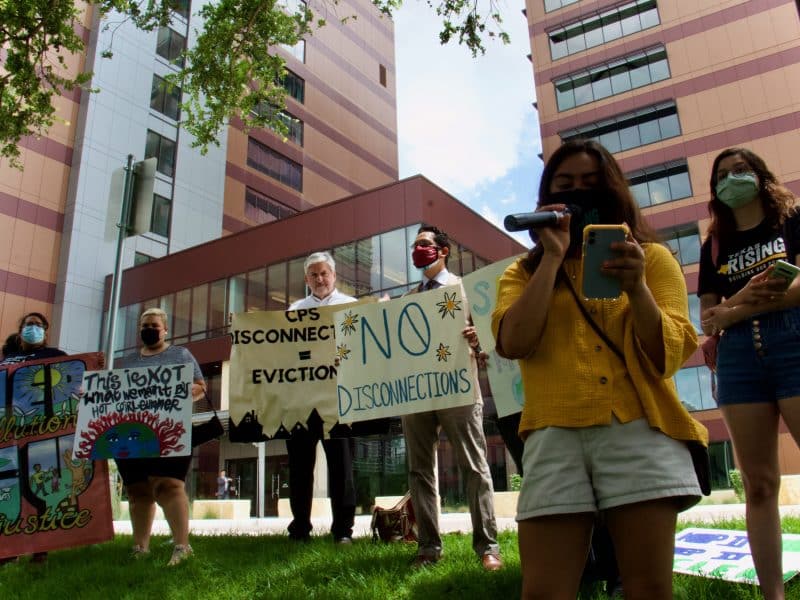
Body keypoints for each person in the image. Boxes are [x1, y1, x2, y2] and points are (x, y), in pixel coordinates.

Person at [491, 139, 707, 599]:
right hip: (553, 434)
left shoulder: (653, 259)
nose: (577, 194)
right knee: (543, 591)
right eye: (564, 185)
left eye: (591, 183)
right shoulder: (520, 274)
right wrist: (552, 257)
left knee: (648, 588)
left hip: (637, 428)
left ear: (614, 192)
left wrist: (637, 288)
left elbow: (668, 356)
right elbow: (513, 343)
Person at [698, 147, 800, 600]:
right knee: (758, 484)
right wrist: (744, 300)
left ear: (760, 175)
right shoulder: (714, 245)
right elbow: (708, 319)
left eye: (741, 170)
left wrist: (735, 309)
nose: (732, 179)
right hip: (739, 358)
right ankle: (772, 594)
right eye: (722, 175)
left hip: (793, 340)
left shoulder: (791, 220)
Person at [402, 225, 502, 571]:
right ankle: (428, 548)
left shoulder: (466, 289)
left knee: (474, 465)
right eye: (414, 245)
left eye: (424, 244)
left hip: (459, 389)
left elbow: (490, 345)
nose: (417, 250)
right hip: (417, 394)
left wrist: (479, 338)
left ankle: (488, 547)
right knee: (419, 470)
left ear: (443, 251)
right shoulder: (408, 298)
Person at [115, 307, 206, 566]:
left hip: (171, 430)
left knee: (169, 485)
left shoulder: (181, 355)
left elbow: (200, 387)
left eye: (154, 326)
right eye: (145, 326)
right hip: (133, 433)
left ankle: (182, 546)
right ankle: (140, 548)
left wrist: (182, 391)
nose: (149, 330)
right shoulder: (128, 361)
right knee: (137, 490)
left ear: (165, 330)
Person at [285, 251, 357, 544]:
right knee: (300, 468)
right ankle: (300, 530)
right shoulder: (294, 311)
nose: (320, 279)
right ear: (307, 279)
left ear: (334, 275)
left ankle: (343, 531)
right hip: (302, 401)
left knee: (342, 468)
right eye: (314, 275)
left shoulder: (351, 306)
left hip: (339, 400)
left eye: (324, 273)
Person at [0, 312, 68, 566]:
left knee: (39, 488)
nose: (34, 328)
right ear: (20, 331)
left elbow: (73, 380)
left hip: (41, 432)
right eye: (29, 324)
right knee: (10, 489)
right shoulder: (7, 358)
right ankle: (9, 548)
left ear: (46, 331)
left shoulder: (55, 355)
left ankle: (41, 549)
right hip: (9, 433)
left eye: (39, 325)